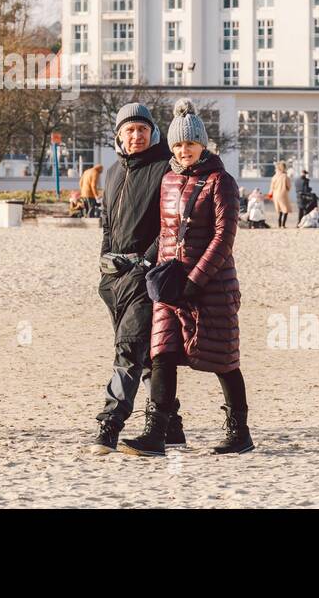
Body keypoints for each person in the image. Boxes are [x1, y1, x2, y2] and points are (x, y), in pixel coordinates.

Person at [121, 99, 251, 457]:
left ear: (202, 144)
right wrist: (156, 274)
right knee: (161, 354)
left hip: (213, 285)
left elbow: (224, 237)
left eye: (190, 144)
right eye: (178, 144)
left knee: (223, 360)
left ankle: (239, 432)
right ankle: (157, 433)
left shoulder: (221, 181)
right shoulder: (168, 179)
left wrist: (196, 280)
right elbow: (165, 233)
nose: (184, 150)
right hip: (171, 285)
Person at [90, 102, 184, 454]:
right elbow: (107, 227)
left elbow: (171, 225)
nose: (136, 135)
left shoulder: (165, 169)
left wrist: (144, 262)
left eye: (142, 129)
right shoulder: (113, 173)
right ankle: (171, 424)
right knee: (142, 355)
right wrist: (104, 265)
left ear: (153, 132)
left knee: (129, 349)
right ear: (119, 135)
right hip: (113, 282)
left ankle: (110, 424)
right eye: (129, 130)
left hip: (148, 279)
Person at [269, 161, 293, 228]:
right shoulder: (285, 176)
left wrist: (270, 194)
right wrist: (287, 189)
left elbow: (271, 187)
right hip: (283, 194)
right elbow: (289, 186)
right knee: (285, 210)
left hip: (275, 195)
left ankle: (279, 225)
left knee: (279, 210)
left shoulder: (274, 177)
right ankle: (283, 225)